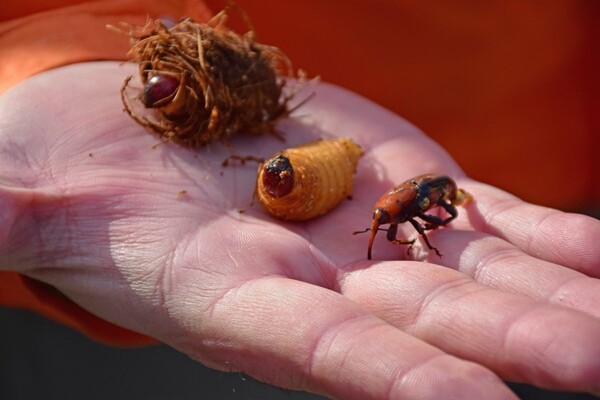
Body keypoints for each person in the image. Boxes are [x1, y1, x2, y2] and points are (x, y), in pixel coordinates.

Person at [1, 1, 599, 399]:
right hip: (88, 331)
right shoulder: (382, 206)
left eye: (382, 224)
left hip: (538, 131)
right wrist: (43, 58)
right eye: (380, 223)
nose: (378, 227)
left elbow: (425, 213)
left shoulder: (406, 202)